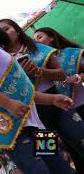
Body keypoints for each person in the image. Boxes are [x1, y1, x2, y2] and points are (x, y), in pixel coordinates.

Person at [0, 16, 73, 174]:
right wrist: (9, 103)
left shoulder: (5, 54)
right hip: (14, 126)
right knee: (39, 171)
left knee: (61, 167)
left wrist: (52, 99)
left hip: (36, 124)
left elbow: (26, 91)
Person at [0, 19, 84, 174]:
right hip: (33, 116)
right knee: (52, 158)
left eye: (7, 28)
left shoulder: (38, 49)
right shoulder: (3, 62)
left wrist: (38, 71)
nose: (3, 33)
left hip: (58, 104)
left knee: (80, 139)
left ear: (17, 30)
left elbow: (61, 74)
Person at [34, 27, 84, 174]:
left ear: (51, 37)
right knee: (51, 158)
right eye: (34, 39)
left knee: (79, 144)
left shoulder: (69, 54)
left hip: (74, 108)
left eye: (40, 37)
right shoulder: (24, 63)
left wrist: (77, 77)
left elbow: (61, 74)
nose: (36, 41)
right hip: (39, 118)